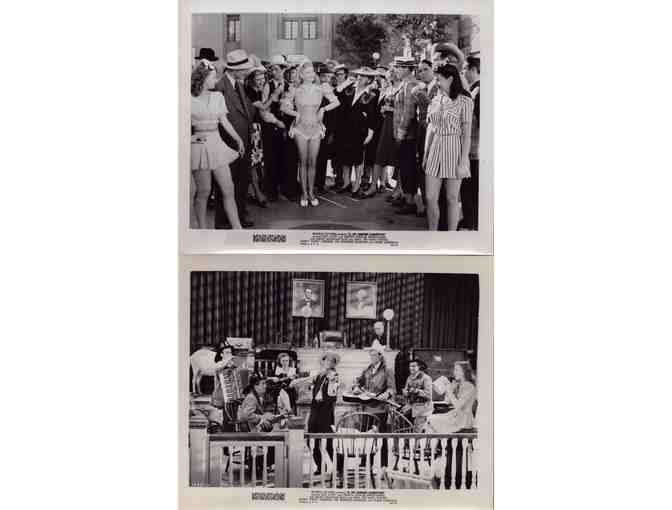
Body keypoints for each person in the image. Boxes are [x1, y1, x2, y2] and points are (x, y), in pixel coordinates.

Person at [190, 59, 244, 229]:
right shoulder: (188, 99)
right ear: (203, 78)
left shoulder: (218, 96)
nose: (216, 80)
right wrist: (194, 140)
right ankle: (202, 229)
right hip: (198, 146)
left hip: (217, 144)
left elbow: (225, 121)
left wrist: (238, 139)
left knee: (229, 189)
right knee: (204, 191)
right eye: (213, 77)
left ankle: (238, 229)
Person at [280, 61, 340, 207]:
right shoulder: (295, 89)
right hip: (300, 129)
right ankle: (304, 193)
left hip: (316, 129)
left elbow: (336, 102)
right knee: (303, 161)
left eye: (312, 72)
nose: (311, 74)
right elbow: (283, 106)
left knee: (313, 162)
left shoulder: (322, 88)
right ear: (301, 74)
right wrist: (295, 113)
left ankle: (311, 192)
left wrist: (323, 110)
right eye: (307, 72)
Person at [423, 63, 474, 231]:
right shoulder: (436, 99)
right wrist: (425, 154)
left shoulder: (465, 101)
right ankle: (432, 233)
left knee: (452, 198)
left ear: (450, 79)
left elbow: (466, 134)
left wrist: (463, 161)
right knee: (430, 198)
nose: (436, 82)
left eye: (439, 79)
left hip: (455, 149)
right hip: (435, 149)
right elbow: (431, 128)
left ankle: (450, 237)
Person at [214, 49, 256, 228]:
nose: (247, 71)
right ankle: (223, 221)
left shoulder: (239, 84)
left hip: (243, 141)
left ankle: (239, 215)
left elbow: (248, 111)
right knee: (225, 185)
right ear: (234, 70)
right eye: (245, 69)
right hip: (227, 143)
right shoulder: (220, 87)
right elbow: (219, 119)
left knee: (241, 181)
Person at [290, 351, 341, 476]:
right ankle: (320, 466)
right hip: (315, 409)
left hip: (326, 411)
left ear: (334, 364)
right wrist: (296, 382)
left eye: (331, 361)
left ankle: (340, 467)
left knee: (329, 442)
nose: (328, 363)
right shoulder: (319, 375)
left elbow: (332, 392)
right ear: (323, 362)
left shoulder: (334, 375)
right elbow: (308, 381)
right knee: (311, 439)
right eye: (326, 360)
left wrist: (332, 380)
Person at [334, 67, 377, 197]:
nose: (359, 78)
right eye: (358, 75)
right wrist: (346, 83)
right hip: (345, 129)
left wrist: (370, 133)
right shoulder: (349, 90)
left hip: (360, 130)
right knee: (345, 158)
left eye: (363, 76)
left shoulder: (371, 95)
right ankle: (347, 183)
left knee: (358, 160)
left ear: (369, 80)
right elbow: (336, 95)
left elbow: (372, 116)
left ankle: (356, 185)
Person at [352, 340, 395, 466]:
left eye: (374, 355)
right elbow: (358, 382)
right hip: (367, 407)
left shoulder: (387, 370)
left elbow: (392, 388)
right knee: (366, 436)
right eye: (371, 355)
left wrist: (386, 394)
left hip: (381, 409)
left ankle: (384, 465)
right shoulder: (367, 369)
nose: (372, 357)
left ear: (380, 356)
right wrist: (356, 387)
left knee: (382, 438)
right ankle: (365, 462)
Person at [392, 58, 422, 216]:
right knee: (403, 167)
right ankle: (405, 196)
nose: (397, 70)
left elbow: (409, 112)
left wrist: (401, 132)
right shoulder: (405, 84)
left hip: (407, 135)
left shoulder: (410, 85)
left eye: (400, 67)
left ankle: (410, 201)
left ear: (408, 69)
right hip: (404, 133)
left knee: (407, 167)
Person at [261, 55, 290, 201]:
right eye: (272, 69)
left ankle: (284, 188)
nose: (274, 72)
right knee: (271, 158)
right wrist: (276, 121)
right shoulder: (268, 85)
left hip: (286, 126)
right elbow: (263, 110)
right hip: (271, 126)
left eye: (277, 69)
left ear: (284, 70)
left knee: (284, 158)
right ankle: (271, 191)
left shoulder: (289, 86)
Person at [458, 55, 480, 231]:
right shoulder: (473, 90)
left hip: (474, 150)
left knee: (471, 190)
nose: (462, 72)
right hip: (470, 149)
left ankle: (471, 223)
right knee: (467, 189)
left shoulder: (480, 91)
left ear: (473, 70)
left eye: (465, 69)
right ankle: (468, 220)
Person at [332, 64, 355, 191]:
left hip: (347, 125)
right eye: (337, 74)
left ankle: (346, 182)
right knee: (337, 154)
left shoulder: (350, 87)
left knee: (345, 154)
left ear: (346, 74)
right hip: (337, 124)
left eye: (340, 74)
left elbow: (347, 104)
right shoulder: (337, 88)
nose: (338, 76)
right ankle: (338, 179)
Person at [401, 359, 434, 433]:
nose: (411, 368)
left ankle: (416, 442)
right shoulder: (409, 378)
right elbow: (406, 391)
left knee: (417, 432)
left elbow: (428, 395)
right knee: (400, 417)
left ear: (419, 367)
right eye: (410, 366)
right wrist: (405, 393)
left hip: (423, 408)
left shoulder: (426, 378)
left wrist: (416, 391)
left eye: (414, 366)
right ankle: (407, 441)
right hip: (412, 407)